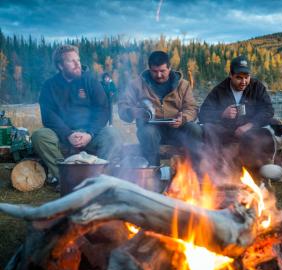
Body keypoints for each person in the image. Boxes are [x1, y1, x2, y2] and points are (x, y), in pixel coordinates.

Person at [31, 45, 122, 186]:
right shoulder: (49, 86)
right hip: (63, 138)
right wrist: (68, 134)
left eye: (78, 60)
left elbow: (102, 110)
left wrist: (90, 134)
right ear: (60, 66)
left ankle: (101, 180)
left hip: (90, 136)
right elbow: (48, 116)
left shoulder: (90, 81)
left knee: (112, 133)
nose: (77, 64)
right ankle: (66, 179)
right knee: (40, 136)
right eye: (71, 61)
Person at [118, 50, 202, 166]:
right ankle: (153, 170)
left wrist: (183, 118)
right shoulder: (137, 85)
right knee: (148, 133)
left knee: (195, 129)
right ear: (149, 69)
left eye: (162, 71)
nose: (158, 75)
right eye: (154, 71)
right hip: (151, 129)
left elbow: (192, 107)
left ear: (170, 68)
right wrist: (134, 112)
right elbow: (123, 107)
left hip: (177, 129)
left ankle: (195, 170)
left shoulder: (183, 85)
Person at [198, 55, 274, 163]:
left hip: (252, 129)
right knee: (208, 128)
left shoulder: (257, 87)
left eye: (246, 77)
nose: (243, 81)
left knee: (275, 123)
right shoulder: (220, 90)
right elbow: (203, 113)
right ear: (230, 75)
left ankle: (267, 161)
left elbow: (268, 110)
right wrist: (222, 114)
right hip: (227, 131)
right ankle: (216, 163)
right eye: (239, 77)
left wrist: (249, 125)